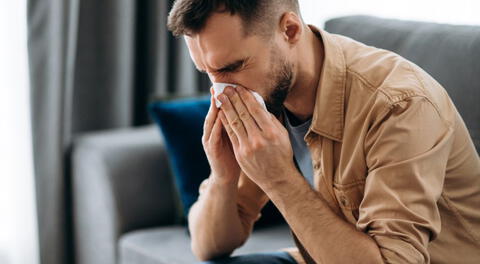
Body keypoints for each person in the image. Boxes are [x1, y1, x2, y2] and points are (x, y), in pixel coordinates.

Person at [167, 1, 480, 263]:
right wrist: (223, 176)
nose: (220, 90)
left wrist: (279, 179)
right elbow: (208, 246)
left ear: (289, 30)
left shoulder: (399, 105)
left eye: (232, 67)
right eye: (207, 72)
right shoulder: (266, 95)